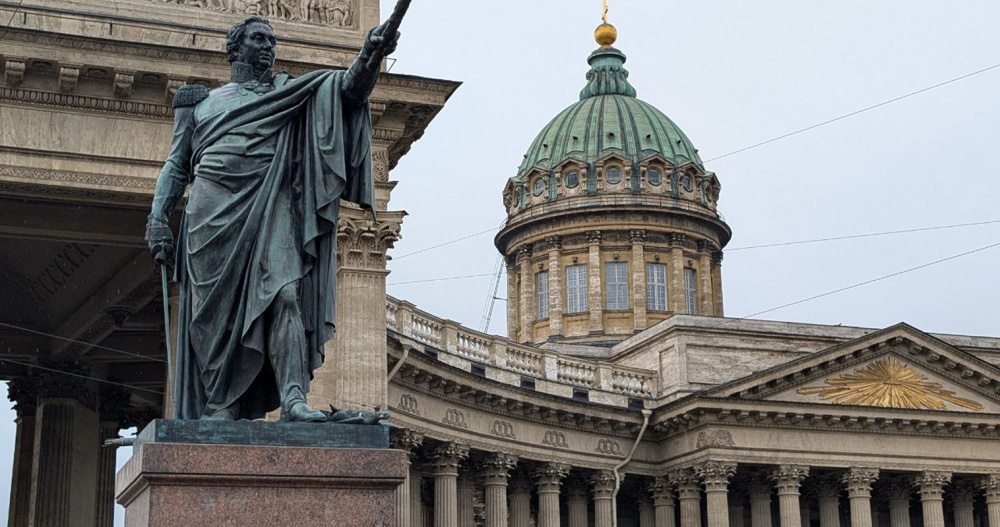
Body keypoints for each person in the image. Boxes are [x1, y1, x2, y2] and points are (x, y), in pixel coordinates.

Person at [144, 15, 399, 422]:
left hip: (271, 199)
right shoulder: (200, 103)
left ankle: (294, 398)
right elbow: (177, 164)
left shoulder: (288, 94)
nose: (268, 46)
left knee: (286, 293)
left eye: (272, 40)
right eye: (258, 38)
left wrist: (371, 53)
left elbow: (347, 91)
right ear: (235, 48)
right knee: (216, 317)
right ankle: (222, 404)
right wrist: (158, 216)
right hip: (211, 212)